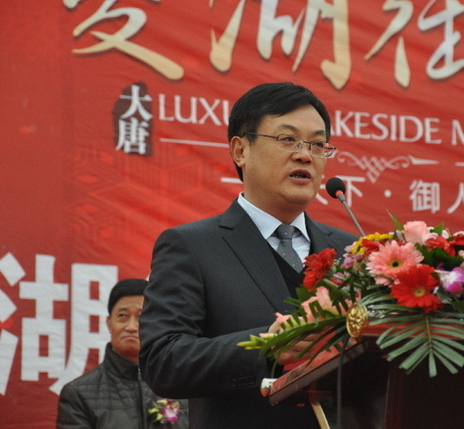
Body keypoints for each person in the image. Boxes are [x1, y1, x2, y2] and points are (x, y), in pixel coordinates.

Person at [139, 82, 358, 428]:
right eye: (288, 139)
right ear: (240, 150)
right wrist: (268, 346)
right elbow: (163, 361)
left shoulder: (353, 251)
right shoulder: (192, 246)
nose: (305, 155)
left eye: (317, 145)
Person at [57, 278, 189, 428]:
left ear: (156, 324)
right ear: (109, 323)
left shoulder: (181, 386)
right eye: (122, 316)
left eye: (141, 317)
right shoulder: (78, 394)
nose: (131, 327)